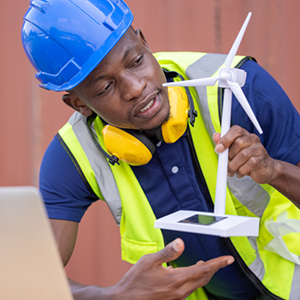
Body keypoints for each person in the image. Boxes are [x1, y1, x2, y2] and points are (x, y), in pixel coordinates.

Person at [21, 0, 300, 299]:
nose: (135, 88)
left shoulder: (238, 85)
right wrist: (113, 295)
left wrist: (274, 170)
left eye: (136, 61)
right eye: (105, 88)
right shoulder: (72, 155)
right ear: (78, 104)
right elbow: (26, 277)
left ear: (144, 41)